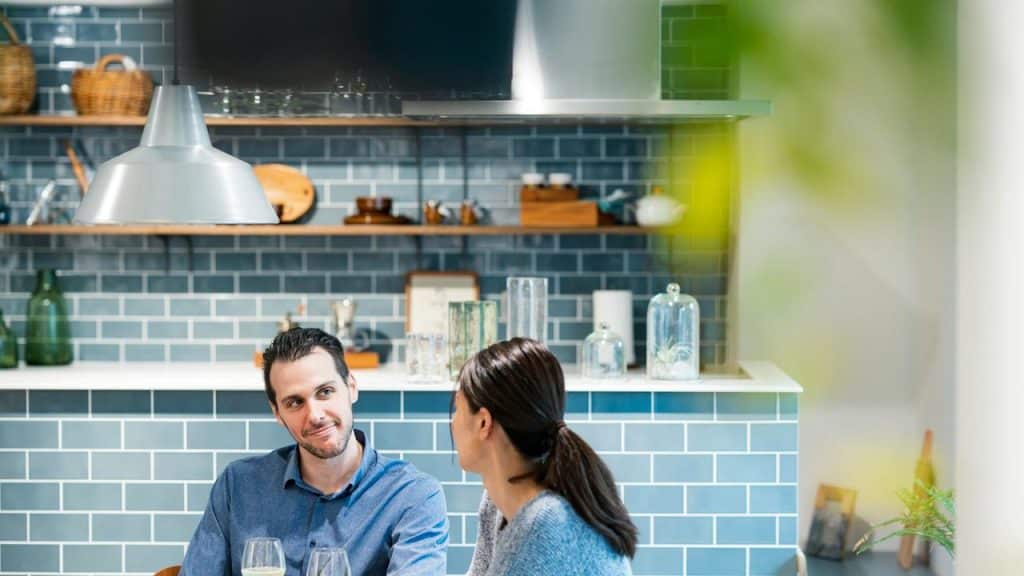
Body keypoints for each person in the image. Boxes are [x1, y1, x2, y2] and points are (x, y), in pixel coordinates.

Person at [181, 328, 448, 576]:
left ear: (351, 387)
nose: (315, 415)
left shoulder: (413, 496)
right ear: (277, 413)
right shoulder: (237, 485)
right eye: (295, 402)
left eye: (325, 392)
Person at [452, 338, 637, 576]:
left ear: (484, 422)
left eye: (458, 408)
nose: (453, 422)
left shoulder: (544, 527)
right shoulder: (498, 503)